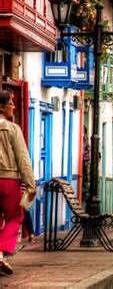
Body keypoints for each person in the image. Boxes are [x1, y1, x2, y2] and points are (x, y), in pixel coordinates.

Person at [0, 90, 36, 275]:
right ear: (2, 106)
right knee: (15, 217)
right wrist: (31, 185)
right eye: (11, 103)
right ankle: (0, 253)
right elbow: (23, 159)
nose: (14, 106)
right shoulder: (13, 129)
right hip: (8, 181)